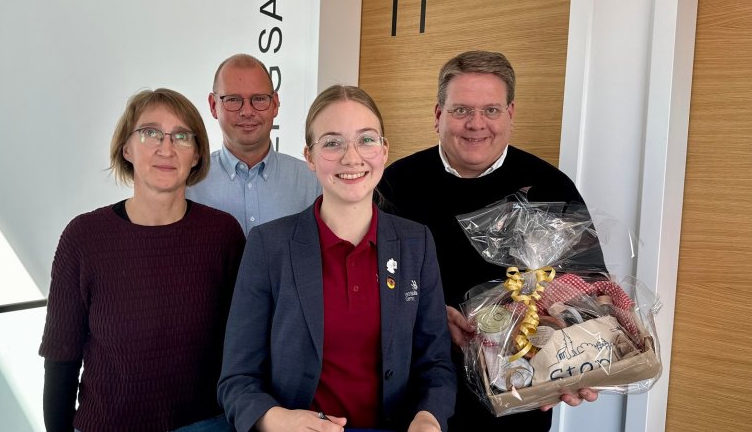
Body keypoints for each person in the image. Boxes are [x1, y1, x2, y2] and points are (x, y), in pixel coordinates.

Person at [376, 51, 598, 431]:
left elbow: (590, 291)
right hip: (412, 400)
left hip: (518, 401)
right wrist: (427, 315)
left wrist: (580, 357)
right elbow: (364, 285)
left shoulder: (551, 188)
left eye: (491, 110)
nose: (476, 124)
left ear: (510, 113)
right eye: (461, 110)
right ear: (437, 115)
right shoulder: (394, 184)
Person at [218, 85, 456, 432]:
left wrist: (428, 418)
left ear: (384, 150)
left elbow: (436, 364)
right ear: (310, 158)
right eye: (332, 142)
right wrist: (276, 419)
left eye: (366, 139)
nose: (351, 157)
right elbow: (236, 380)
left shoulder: (415, 242)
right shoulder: (269, 246)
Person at [39, 88, 245, 432]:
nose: (166, 148)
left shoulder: (223, 234)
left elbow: (243, 348)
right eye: (150, 133)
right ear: (126, 148)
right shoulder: (83, 237)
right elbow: (61, 358)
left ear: (196, 154)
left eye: (182, 136)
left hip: (207, 425)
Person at [188, 53, 322, 235]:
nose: (247, 111)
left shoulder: (312, 181)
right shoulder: (189, 184)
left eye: (258, 99)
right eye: (233, 99)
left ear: (275, 104)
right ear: (213, 106)